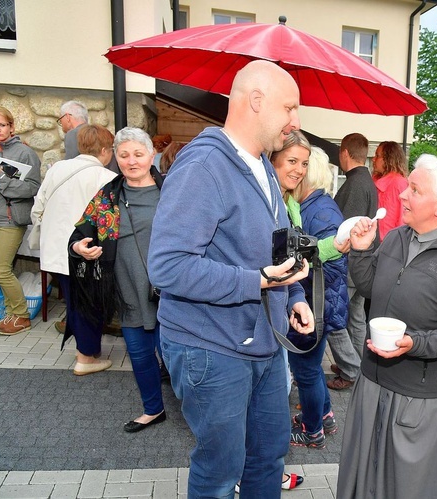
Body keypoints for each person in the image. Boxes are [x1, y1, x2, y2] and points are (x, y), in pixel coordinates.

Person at [148, 60, 314, 498]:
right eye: (290, 108)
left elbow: (270, 250)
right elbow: (167, 266)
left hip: (262, 344)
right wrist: (255, 281)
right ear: (256, 101)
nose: (296, 121)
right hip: (211, 348)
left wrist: (294, 292)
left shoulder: (262, 167)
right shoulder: (204, 164)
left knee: (268, 457)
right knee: (221, 471)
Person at [336, 154, 437, 499]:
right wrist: (360, 251)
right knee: (366, 479)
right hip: (373, 381)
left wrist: (415, 343)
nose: (403, 195)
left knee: (406, 487)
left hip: (418, 398)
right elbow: (371, 288)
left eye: (414, 190)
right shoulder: (396, 238)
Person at [68, 127, 166, 431]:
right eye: (124, 155)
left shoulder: (172, 191)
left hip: (171, 294)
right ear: (116, 159)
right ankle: (153, 409)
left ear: (152, 155)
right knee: (139, 357)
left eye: (138, 154)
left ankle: (198, 412)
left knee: (178, 360)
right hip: (127, 291)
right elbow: (81, 231)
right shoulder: (108, 196)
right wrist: (78, 246)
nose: (131, 161)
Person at [270, 136, 346, 450]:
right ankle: (324, 416)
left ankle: (312, 430)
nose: (298, 171)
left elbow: (325, 257)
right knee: (311, 369)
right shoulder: (298, 205)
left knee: (307, 370)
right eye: (292, 162)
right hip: (313, 301)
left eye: (303, 164)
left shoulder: (319, 208)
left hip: (315, 303)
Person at [31, 124, 117, 374]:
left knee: (74, 301)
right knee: (90, 303)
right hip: (86, 252)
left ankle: (86, 349)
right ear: (104, 150)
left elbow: (38, 207)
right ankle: (85, 357)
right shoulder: (106, 177)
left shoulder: (58, 168)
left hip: (56, 251)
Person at [327, 132, 377, 390]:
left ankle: (351, 370)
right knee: (355, 318)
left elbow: (345, 231)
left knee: (334, 316)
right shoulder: (367, 181)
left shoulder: (355, 185)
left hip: (350, 264)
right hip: (363, 264)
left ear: (344, 153)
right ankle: (359, 365)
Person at [0, 105, 41, 335]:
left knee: (0, 270)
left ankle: (20, 316)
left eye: (1, 124)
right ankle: (11, 315)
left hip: (10, 220)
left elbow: (31, 189)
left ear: (11, 126)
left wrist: (0, 180)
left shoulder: (23, 153)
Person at [371, 141, 408, 241]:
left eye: (377, 156)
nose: (373, 159)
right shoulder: (375, 180)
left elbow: (403, 219)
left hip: (390, 244)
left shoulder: (399, 184)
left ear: (388, 159)